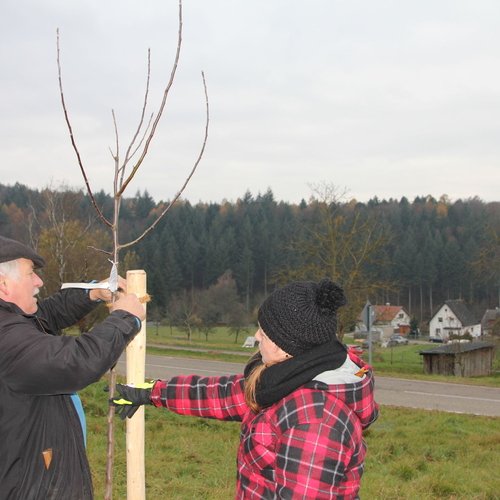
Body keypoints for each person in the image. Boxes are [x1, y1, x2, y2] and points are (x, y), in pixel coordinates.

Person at [113, 278, 378, 499]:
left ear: (286, 345)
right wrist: (154, 393)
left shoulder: (315, 421)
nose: (258, 336)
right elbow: (224, 396)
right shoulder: (285, 378)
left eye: (264, 331)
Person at [0, 235, 146, 499]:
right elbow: (76, 362)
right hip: (32, 488)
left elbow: (47, 314)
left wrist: (91, 293)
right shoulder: (7, 339)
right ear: (3, 284)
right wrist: (126, 319)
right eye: (31, 273)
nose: (39, 281)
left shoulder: (13, 321)